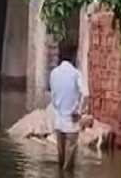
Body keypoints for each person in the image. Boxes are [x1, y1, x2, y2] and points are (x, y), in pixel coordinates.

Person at [49, 42, 87, 171]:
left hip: (59, 120)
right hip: (72, 120)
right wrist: (79, 111)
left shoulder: (54, 73)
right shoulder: (76, 74)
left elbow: (53, 97)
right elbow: (86, 94)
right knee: (69, 165)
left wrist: (59, 108)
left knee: (60, 159)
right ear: (73, 56)